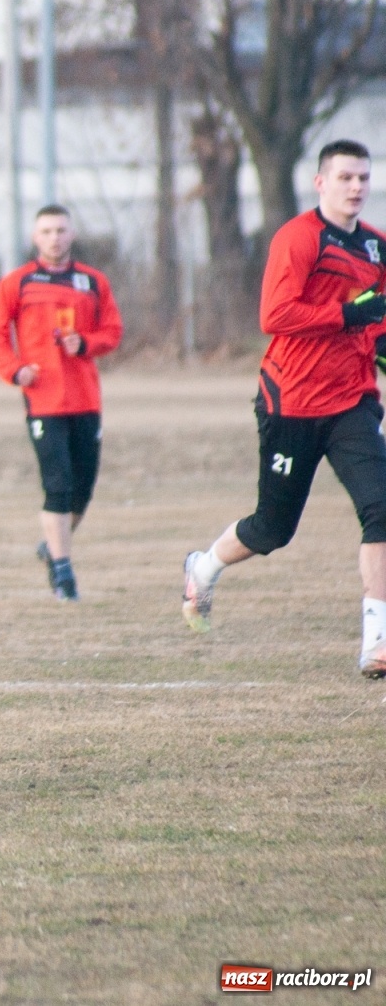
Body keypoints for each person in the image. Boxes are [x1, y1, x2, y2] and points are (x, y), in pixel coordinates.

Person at [182, 139, 386, 679]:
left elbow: (378, 321)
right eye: (345, 177)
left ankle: (377, 643)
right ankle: (203, 568)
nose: (357, 187)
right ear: (321, 182)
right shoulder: (298, 238)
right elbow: (275, 315)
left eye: (363, 177)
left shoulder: (377, 248)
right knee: (273, 529)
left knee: (382, 506)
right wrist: (348, 315)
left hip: (352, 402)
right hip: (291, 401)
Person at [0, 204, 124, 602]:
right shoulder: (18, 282)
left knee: (82, 492)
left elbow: (113, 331)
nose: (54, 237)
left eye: (60, 230)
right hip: (43, 400)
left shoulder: (92, 281)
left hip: (85, 399)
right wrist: (14, 369)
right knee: (58, 487)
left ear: (72, 234)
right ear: (34, 237)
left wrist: (87, 344)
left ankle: (52, 543)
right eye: (46, 231)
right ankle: (63, 574)